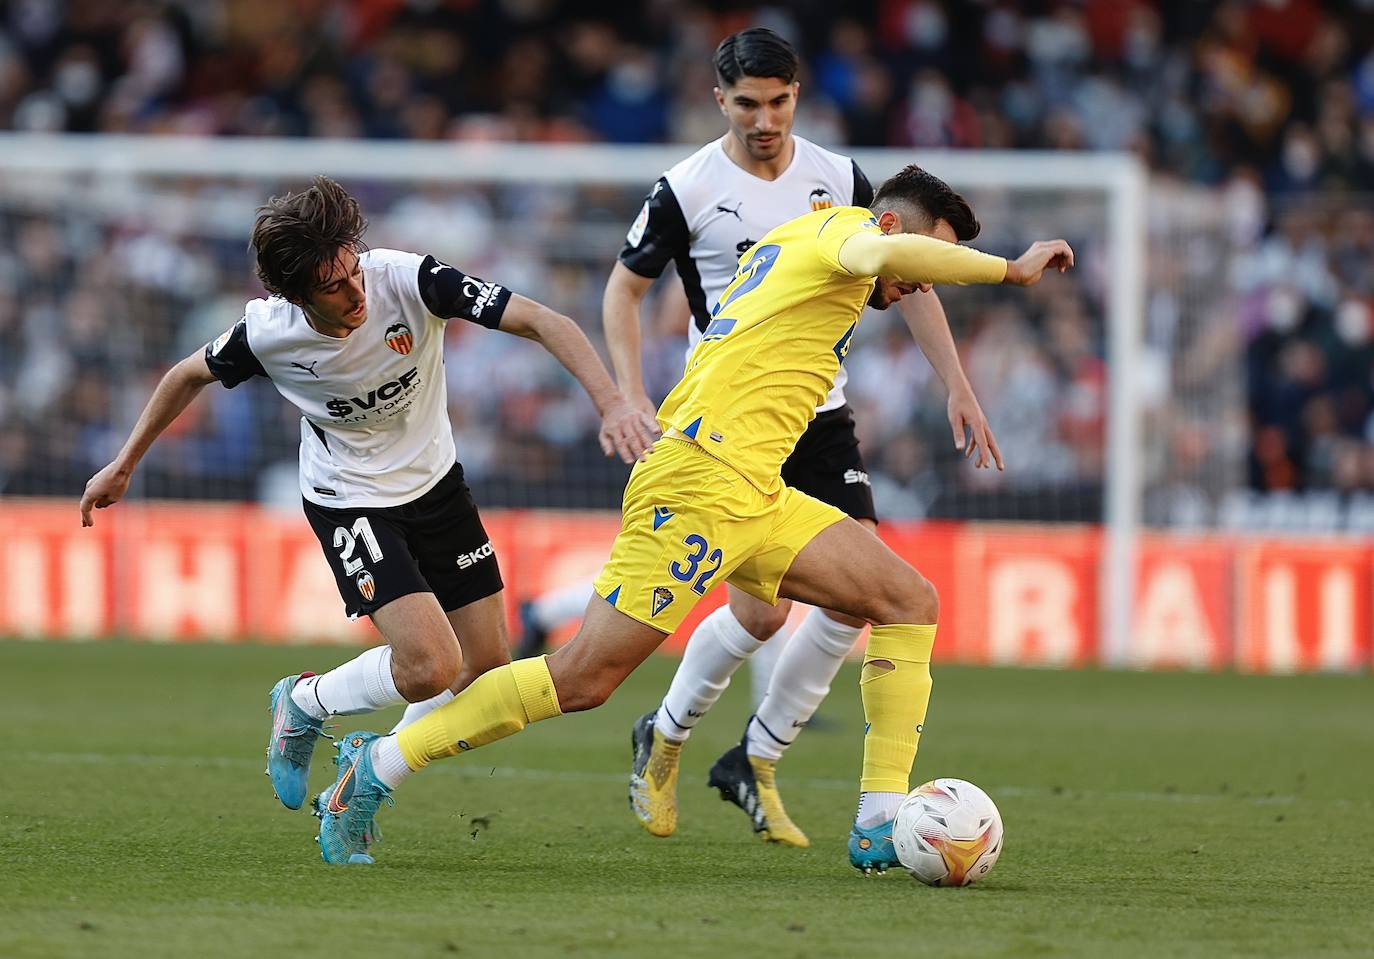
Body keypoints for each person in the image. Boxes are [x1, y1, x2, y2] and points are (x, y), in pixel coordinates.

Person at [312, 163, 1072, 871]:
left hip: (756, 490)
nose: (919, 281)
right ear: (888, 222)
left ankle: (877, 816)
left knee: (909, 600)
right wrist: (1012, 268)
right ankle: (374, 767)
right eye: (921, 254)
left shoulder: (808, 242)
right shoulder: (846, 232)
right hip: (698, 481)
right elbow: (883, 258)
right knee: (583, 679)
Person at [523, 27, 1005, 849]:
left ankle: (757, 752)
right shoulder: (687, 187)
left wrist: (957, 382)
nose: (765, 119)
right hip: (730, 418)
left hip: (820, 412)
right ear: (721, 101)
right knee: (759, 616)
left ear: (796, 97)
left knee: (871, 594)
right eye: (748, 103)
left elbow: (907, 266)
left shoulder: (838, 178)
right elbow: (622, 292)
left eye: (779, 101)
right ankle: (668, 732)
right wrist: (630, 395)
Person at [78, 175, 656, 817]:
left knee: (487, 669)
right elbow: (185, 375)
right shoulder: (267, 332)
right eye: (334, 286)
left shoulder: (408, 280)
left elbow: (543, 321)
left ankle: (360, 786)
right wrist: (124, 463)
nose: (357, 292)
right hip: (349, 498)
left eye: (355, 272)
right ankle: (305, 702)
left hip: (438, 485)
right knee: (429, 667)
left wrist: (611, 404)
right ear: (294, 296)